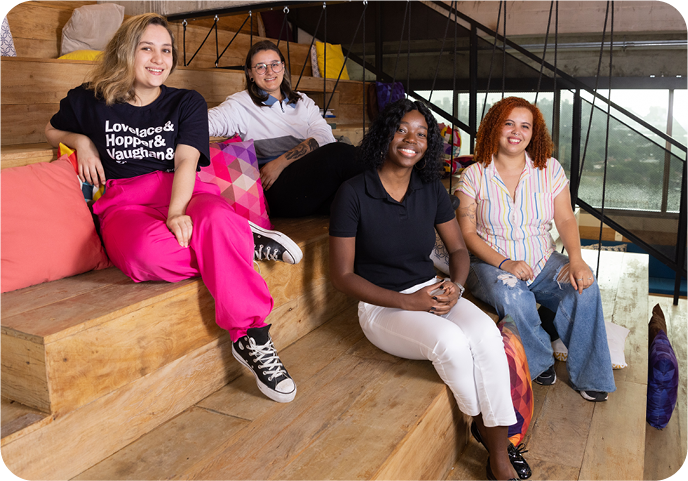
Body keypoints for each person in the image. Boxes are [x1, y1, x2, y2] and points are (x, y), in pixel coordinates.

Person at [44, 13, 299, 403]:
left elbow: (185, 162)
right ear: (125, 52)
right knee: (144, 256)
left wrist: (177, 211)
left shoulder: (186, 102)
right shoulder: (90, 99)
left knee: (213, 217)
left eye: (166, 50)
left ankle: (251, 335)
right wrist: (80, 141)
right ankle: (238, 239)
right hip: (126, 202)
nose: (158, 59)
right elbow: (50, 128)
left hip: (186, 193)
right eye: (147, 48)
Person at [329, 99, 530, 481]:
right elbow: (342, 276)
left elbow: (457, 249)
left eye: (422, 133)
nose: (411, 140)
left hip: (432, 289)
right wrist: (409, 302)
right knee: (452, 344)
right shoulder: (353, 192)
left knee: (487, 334)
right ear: (385, 134)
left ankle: (497, 445)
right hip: (382, 307)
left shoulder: (430, 188)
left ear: (429, 145)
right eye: (402, 129)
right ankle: (492, 436)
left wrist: (455, 286)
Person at [455, 96, 616, 402]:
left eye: (525, 125)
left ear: (534, 132)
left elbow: (566, 217)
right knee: (511, 293)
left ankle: (591, 374)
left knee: (585, 287)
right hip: (492, 266)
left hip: (544, 261)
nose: (517, 131)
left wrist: (577, 260)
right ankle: (538, 360)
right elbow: (467, 233)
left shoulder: (549, 169)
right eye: (509, 123)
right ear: (494, 127)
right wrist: (505, 263)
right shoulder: (474, 175)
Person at [208, 40, 364, 218]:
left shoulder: (302, 101)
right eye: (260, 67)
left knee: (354, 196)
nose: (269, 72)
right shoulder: (240, 105)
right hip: (277, 190)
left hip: (307, 184)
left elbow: (324, 137)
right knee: (340, 154)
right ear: (250, 73)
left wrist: (280, 162)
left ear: (283, 67)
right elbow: (207, 122)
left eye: (275, 65)